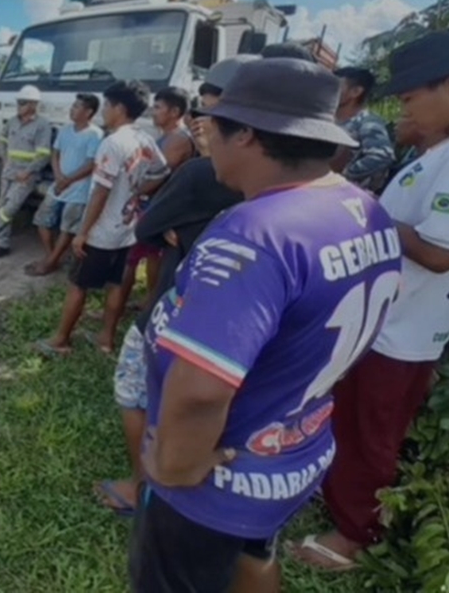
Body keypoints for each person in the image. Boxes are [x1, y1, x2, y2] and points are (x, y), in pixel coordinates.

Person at [129, 58, 402, 593]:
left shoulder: (255, 234)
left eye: (214, 125)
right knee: (253, 558)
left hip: (213, 483)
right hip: (293, 454)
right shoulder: (365, 209)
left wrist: (177, 467)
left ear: (247, 135)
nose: (204, 136)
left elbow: (202, 390)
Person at [290, 31, 449, 573]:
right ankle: (339, 501)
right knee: (352, 419)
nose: (404, 109)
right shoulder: (433, 153)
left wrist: (369, 211)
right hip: (384, 320)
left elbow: (438, 255)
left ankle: (358, 536)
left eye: (410, 99)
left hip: (407, 333)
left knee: (374, 431)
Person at [95, 57, 248, 516]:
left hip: (176, 299)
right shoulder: (282, 180)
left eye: (209, 113)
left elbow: (149, 227)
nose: (200, 122)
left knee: (135, 389)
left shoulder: (203, 172)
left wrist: (175, 228)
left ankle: (145, 487)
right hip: (232, 314)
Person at [34, 81, 168, 357]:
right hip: (127, 227)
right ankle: (106, 340)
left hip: (102, 230)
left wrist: (83, 232)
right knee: (117, 284)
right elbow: (162, 171)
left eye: (106, 105)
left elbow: (100, 193)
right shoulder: (144, 139)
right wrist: (135, 193)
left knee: (77, 284)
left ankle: (60, 340)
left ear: (119, 107)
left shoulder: (112, 142)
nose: (103, 110)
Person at [118, 86, 194, 314]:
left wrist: (129, 192)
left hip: (156, 207)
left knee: (133, 258)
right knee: (149, 257)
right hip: (152, 204)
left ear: (174, 111)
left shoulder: (178, 139)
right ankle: (148, 303)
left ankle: (125, 306)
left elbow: (158, 176)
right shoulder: (166, 137)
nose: (153, 111)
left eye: (158, 107)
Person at [26, 94, 103, 277]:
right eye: (73, 106)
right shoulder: (65, 130)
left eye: (77, 107)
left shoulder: (95, 134)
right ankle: (52, 257)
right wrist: (59, 177)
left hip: (78, 189)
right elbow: (55, 153)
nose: (72, 110)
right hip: (59, 185)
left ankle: (51, 262)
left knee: (67, 228)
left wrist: (67, 180)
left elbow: (92, 164)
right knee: (42, 219)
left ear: (88, 112)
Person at [0, 85, 52, 259]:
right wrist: (6, 160)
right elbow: (3, 140)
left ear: (33, 105)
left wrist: (28, 172)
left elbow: (43, 155)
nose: (18, 105)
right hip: (9, 171)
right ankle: (1, 244)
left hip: (26, 176)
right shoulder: (13, 121)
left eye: (22, 102)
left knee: (10, 208)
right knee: (2, 206)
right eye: (18, 102)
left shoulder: (42, 125)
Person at [331, 67, 395, 195]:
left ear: (355, 91)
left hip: (345, 197)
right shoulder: (326, 118)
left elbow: (382, 156)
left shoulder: (367, 122)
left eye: (335, 85)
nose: (329, 90)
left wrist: (342, 175)